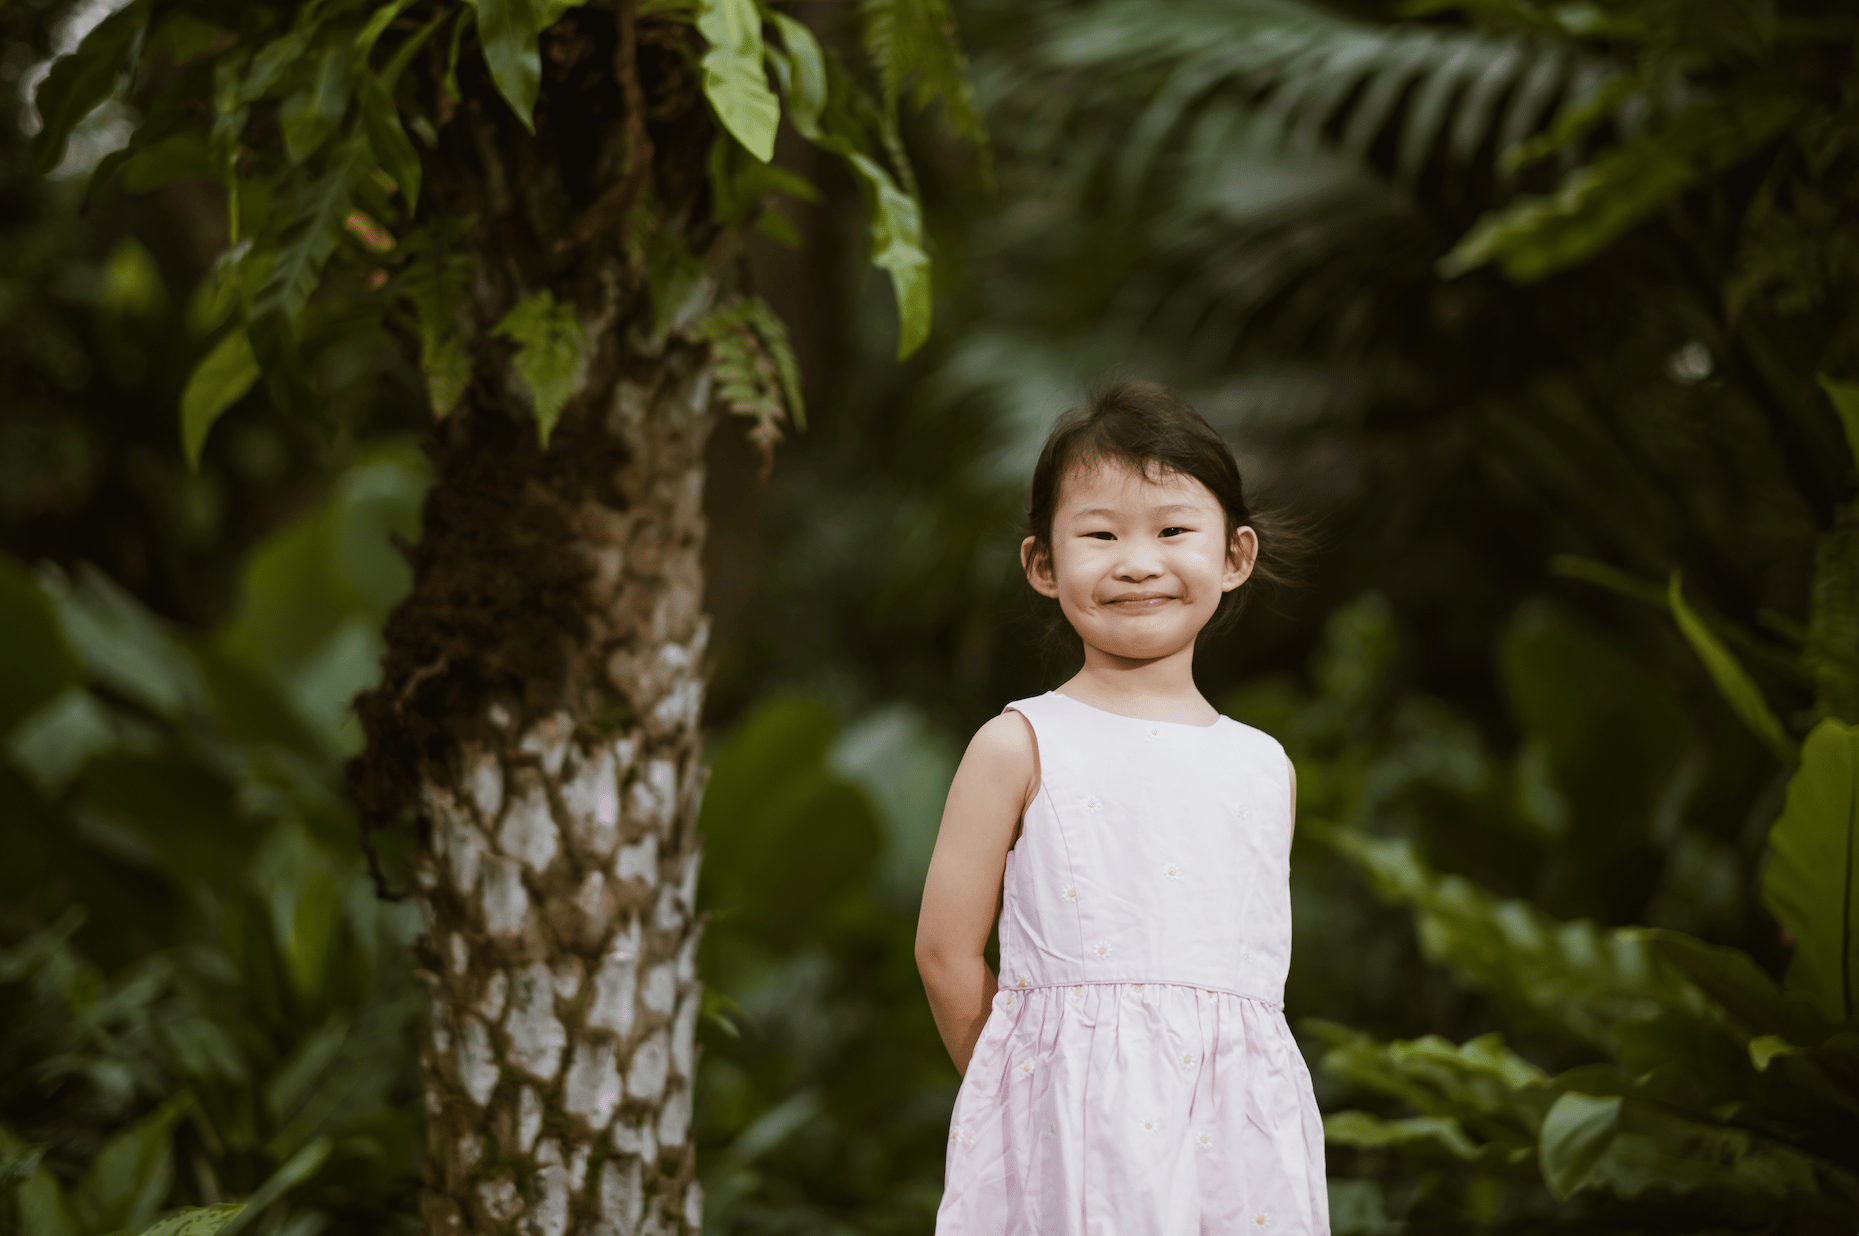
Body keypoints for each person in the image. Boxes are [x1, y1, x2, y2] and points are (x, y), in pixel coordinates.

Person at [915, 378, 1328, 1234]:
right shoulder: (1019, 744)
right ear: (1043, 564)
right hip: (1062, 1138)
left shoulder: (1263, 767)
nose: (1137, 562)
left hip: (1238, 1153)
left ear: (1234, 555)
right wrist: (1022, 1099)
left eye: (1173, 531)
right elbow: (945, 954)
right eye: (1100, 535)